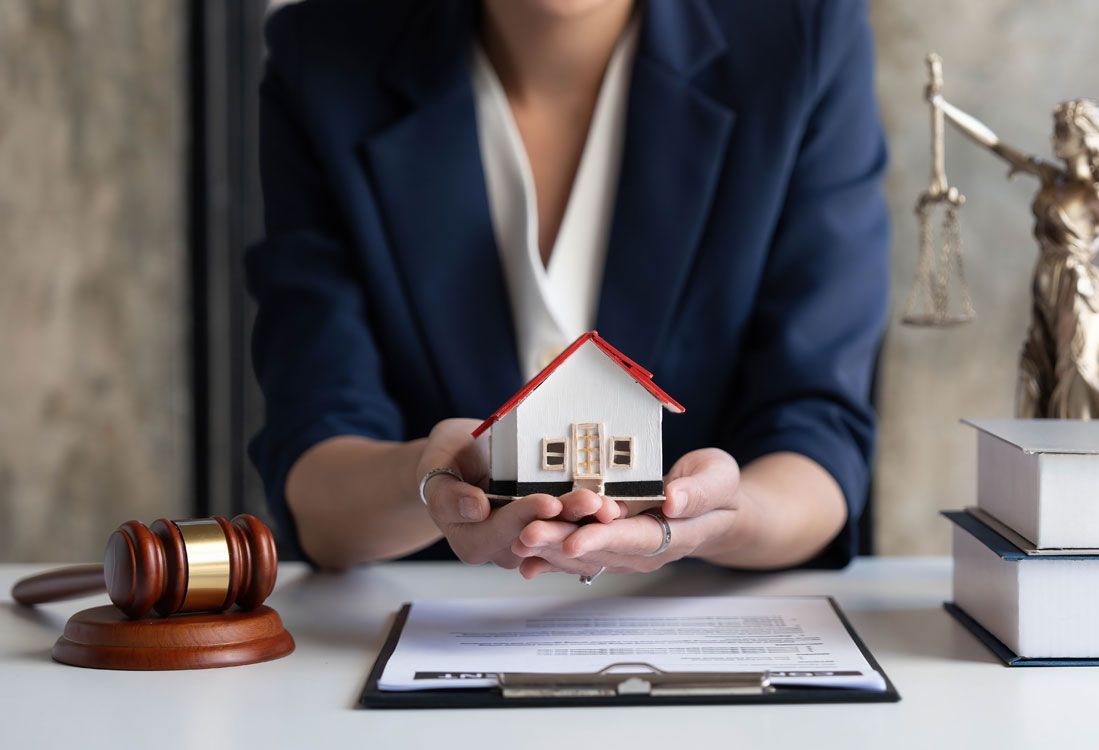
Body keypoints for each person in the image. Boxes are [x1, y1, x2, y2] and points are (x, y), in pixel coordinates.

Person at [246, 0, 889, 578]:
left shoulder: (801, 35)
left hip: (706, 620)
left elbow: (818, 433)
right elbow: (316, 462)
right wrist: (433, 481)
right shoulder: (322, 57)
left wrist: (720, 515)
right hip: (423, 626)